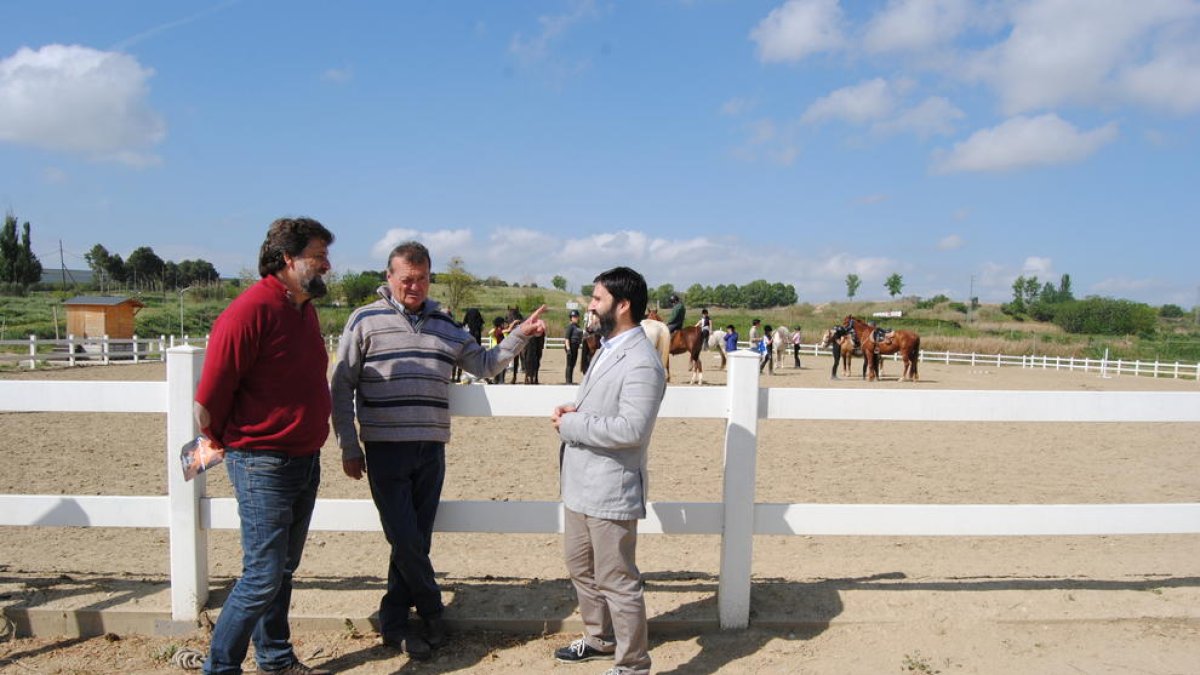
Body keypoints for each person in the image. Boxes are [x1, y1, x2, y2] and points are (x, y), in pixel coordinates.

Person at [331, 241, 546, 661]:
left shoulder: (445, 324)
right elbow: (341, 386)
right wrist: (347, 443)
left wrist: (520, 334)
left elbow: (485, 364)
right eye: (407, 279)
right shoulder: (364, 320)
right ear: (389, 278)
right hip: (384, 449)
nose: (414, 286)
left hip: (431, 448)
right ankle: (431, 610)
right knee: (406, 537)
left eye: (422, 278)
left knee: (415, 540)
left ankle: (394, 622)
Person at [195, 217, 335, 675]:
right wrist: (224, 444)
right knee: (261, 576)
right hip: (262, 462)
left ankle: (274, 658)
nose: (327, 266)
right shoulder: (249, 311)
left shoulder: (302, 307)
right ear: (287, 259)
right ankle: (220, 667)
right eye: (319, 256)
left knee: (282, 570)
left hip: (303, 458)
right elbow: (209, 399)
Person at [551, 266, 667, 675]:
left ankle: (633, 664)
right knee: (580, 568)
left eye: (597, 298)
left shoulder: (642, 362)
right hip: (581, 483)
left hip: (610, 489)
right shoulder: (606, 347)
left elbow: (633, 429)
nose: (590, 305)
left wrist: (572, 425)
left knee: (618, 580)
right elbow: (606, 407)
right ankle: (599, 638)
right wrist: (577, 408)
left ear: (622, 305)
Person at [564, 308, 585, 385]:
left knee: (573, 364)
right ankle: (568, 381)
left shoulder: (578, 326)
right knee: (569, 364)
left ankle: (570, 380)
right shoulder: (570, 327)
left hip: (576, 346)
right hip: (571, 346)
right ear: (571, 318)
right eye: (574, 317)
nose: (575, 318)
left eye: (576, 316)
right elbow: (567, 338)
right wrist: (568, 349)